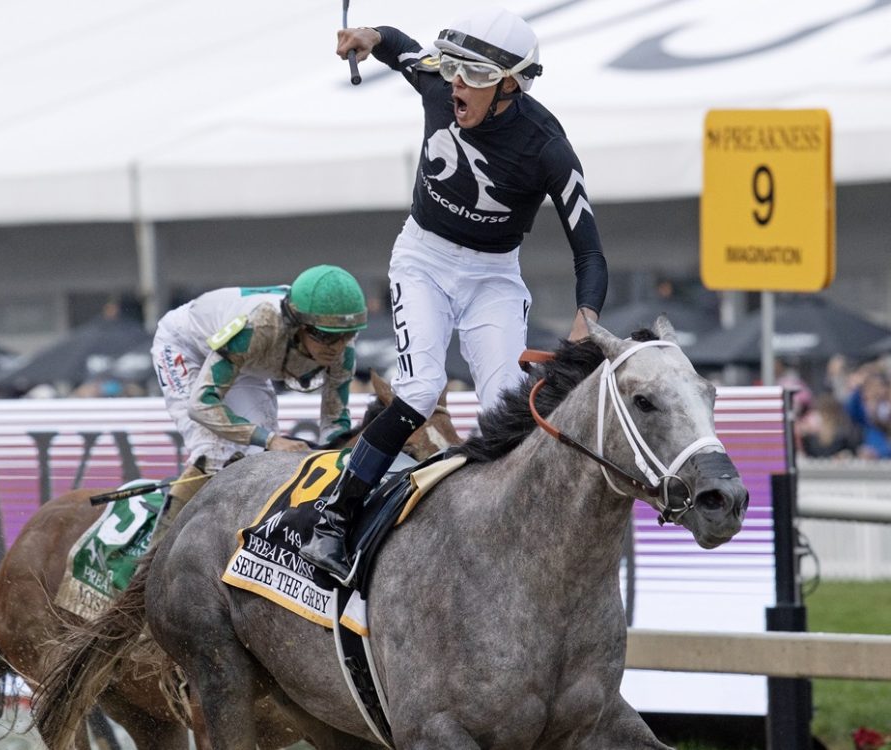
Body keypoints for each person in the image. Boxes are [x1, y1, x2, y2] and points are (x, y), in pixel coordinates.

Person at [300, 7, 608, 581]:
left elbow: (589, 252)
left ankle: (507, 530)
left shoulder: (548, 146)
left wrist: (586, 316)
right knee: (419, 389)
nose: (457, 85)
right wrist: (368, 36)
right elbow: (398, 45)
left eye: (474, 77)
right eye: (455, 72)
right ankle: (335, 518)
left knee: (509, 408)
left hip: (494, 277)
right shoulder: (441, 84)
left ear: (511, 84)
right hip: (423, 261)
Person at [150, 265, 368, 541]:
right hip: (187, 346)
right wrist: (272, 439)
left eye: (346, 335)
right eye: (324, 335)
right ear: (298, 325)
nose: (335, 347)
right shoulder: (260, 327)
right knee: (214, 452)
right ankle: (151, 561)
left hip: (246, 363)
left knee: (262, 460)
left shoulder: (343, 352)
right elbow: (202, 405)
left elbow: (335, 422)